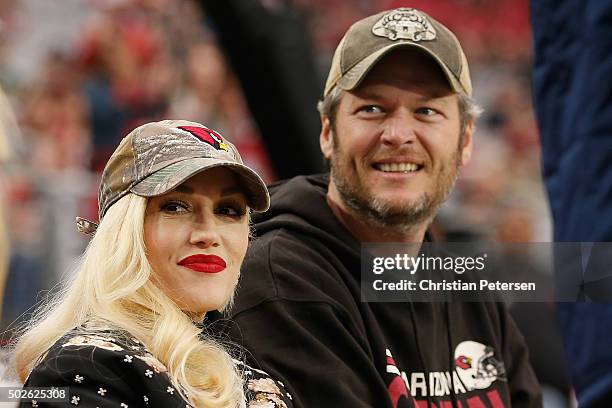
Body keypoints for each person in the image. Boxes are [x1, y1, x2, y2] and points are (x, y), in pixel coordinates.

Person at [224, 8, 542, 408]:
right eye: (372, 109)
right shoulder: (279, 285)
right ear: (328, 132)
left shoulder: (466, 289)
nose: (397, 134)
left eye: (426, 110)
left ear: (465, 141)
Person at [13, 120, 293, 408]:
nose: (208, 234)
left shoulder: (258, 385)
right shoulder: (86, 369)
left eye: (228, 210)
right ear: (123, 231)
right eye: (175, 206)